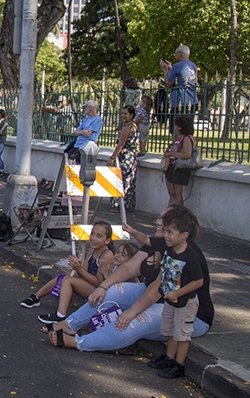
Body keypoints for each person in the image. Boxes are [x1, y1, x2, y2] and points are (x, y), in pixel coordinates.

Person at [44, 206, 214, 356]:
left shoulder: (183, 251)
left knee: (131, 321)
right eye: (161, 218)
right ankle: (69, 324)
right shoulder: (161, 242)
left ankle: (79, 342)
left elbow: (156, 290)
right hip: (160, 298)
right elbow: (128, 268)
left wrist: (132, 311)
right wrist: (102, 287)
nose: (158, 222)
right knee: (112, 291)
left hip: (187, 312)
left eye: (164, 219)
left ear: (180, 230)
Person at [145, 206, 204, 379]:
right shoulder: (170, 250)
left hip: (184, 302)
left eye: (170, 232)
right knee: (170, 330)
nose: (166, 236)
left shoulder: (191, 257)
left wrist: (178, 293)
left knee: (182, 334)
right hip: (170, 300)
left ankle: (179, 364)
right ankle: (169, 358)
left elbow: (198, 281)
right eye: (165, 231)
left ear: (184, 235)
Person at [29, 221, 115, 323]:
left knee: (67, 280)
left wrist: (79, 270)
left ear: (107, 240)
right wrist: (77, 267)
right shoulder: (93, 250)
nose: (93, 238)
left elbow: (99, 283)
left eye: (99, 236)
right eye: (92, 234)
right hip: (91, 285)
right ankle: (36, 297)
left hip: (101, 291)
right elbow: (84, 273)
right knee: (62, 277)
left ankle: (60, 315)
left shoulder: (107, 255)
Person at [107, 105, 139, 212]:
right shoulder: (134, 127)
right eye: (122, 113)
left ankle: (119, 205)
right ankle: (127, 205)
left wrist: (112, 157)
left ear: (131, 115)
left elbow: (120, 144)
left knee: (120, 181)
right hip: (131, 158)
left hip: (124, 157)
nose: (123, 116)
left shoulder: (127, 128)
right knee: (128, 181)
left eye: (126, 114)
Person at [160, 44, 198, 131]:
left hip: (180, 101)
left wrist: (165, 70)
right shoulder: (193, 66)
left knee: (176, 129)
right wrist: (171, 69)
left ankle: (178, 143)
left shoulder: (177, 66)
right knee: (188, 129)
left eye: (175, 53)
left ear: (180, 54)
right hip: (192, 100)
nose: (175, 55)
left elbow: (168, 84)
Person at [162, 114, 196, 206]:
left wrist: (171, 154)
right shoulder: (179, 138)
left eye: (176, 126)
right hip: (172, 167)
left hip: (179, 169)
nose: (175, 128)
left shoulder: (187, 139)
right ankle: (170, 214)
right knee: (172, 194)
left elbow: (187, 154)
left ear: (180, 127)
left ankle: (177, 215)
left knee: (177, 194)